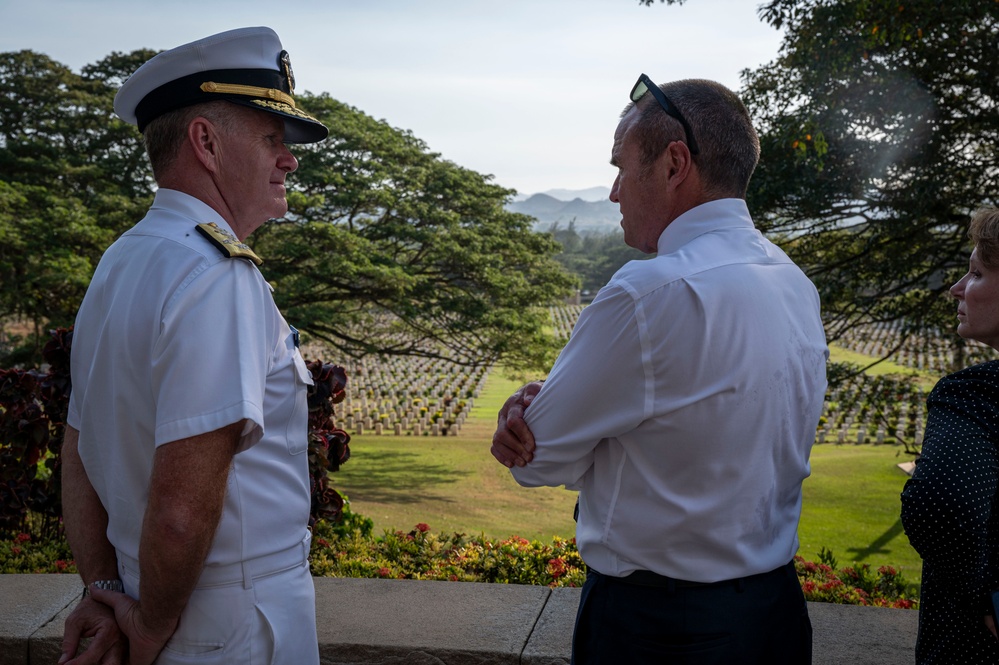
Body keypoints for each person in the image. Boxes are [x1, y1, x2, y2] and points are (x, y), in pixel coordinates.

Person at [491, 75, 828, 664]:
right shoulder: (792, 280)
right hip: (775, 615)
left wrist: (547, 416)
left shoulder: (647, 294)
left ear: (675, 163)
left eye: (621, 167)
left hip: (661, 628)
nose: (616, 192)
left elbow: (538, 457)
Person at [57, 27, 328, 665]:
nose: (289, 159)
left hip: (158, 602)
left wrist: (103, 590)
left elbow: (79, 447)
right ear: (204, 142)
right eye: (271, 138)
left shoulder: (122, 260)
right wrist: (151, 626)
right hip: (228, 618)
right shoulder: (217, 275)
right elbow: (181, 513)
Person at [900, 207, 999, 664]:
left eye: (977, 273)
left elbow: (940, 505)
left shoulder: (975, 395)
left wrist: (984, 594)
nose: (958, 288)